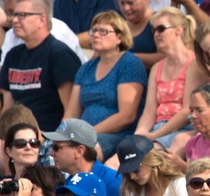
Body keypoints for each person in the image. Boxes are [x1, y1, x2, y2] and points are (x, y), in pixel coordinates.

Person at [62, 12, 147, 160]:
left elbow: (127, 116)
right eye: (93, 31)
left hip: (117, 135)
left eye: (103, 31)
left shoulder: (129, 63)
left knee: (86, 151)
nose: (95, 35)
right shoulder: (86, 68)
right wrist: (62, 135)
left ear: (119, 38)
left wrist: (88, 132)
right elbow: (71, 113)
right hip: (82, 136)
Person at [0, 0, 82, 133]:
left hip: (50, 135)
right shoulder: (12, 56)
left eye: (22, 15)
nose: (14, 20)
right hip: (17, 137)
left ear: (42, 20)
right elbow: (7, 109)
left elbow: (71, 112)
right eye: (14, 15)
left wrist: (55, 143)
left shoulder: (59, 54)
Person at [132, 8, 209, 150]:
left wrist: (155, 136)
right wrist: (139, 134)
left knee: (149, 158)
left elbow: (187, 110)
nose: (156, 34)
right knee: (117, 160)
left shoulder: (194, 63)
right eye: (154, 30)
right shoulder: (157, 67)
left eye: (161, 29)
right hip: (157, 129)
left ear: (178, 30)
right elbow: (149, 111)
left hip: (183, 129)